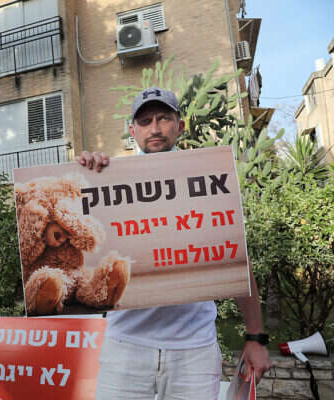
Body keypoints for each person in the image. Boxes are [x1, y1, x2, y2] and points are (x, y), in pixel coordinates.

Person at [77, 87, 271, 399]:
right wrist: (83, 176)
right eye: (145, 121)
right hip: (125, 346)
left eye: (163, 118)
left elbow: (235, 259)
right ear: (132, 131)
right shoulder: (108, 179)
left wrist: (255, 337)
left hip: (194, 350)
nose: (154, 128)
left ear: (180, 126)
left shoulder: (208, 178)